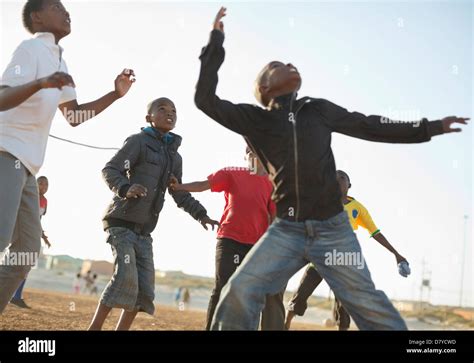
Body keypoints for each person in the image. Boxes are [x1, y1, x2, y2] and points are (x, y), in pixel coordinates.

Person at [194, 7, 469, 330]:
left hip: (333, 228)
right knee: (238, 291)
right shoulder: (255, 120)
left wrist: (429, 127)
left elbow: (370, 125)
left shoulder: (317, 110)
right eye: (277, 66)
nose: (288, 65)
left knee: (368, 303)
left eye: (290, 63)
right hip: (287, 230)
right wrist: (216, 42)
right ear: (264, 89)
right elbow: (205, 100)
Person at [0, 0, 135, 313]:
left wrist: (115, 94)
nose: (65, 11)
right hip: (6, 152)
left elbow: (74, 116)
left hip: (29, 168)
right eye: (56, 7)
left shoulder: (59, 61)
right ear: (37, 17)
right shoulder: (30, 49)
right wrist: (40, 83)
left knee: (26, 253)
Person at [88, 97, 219, 331]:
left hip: (144, 230)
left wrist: (201, 215)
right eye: (162, 109)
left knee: (144, 290)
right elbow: (110, 169)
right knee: (125, 277)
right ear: (148, 117)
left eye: (174, 110)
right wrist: (126, 188)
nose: (170, 113)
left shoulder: (175, 157)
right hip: (121, 222)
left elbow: (179, 193)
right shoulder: (138, 141)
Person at [169, 147, 285, 330]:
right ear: (245, 155)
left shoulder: (271, 184)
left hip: (256, 246)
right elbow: (203, 185)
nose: (255, 155)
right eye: (251, 152)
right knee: (223, 287)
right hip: (229, 240)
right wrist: (179, 186)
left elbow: (274, 217)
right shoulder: (231, 173)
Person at [285, 170, 410, 330]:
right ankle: (286, 323)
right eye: (334, 177)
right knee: (301, 294)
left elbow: (375, 232)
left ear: (349, 185)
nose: (337, 179)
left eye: (342, 177)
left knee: (344, 305)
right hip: (319, 260)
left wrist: (396, 254)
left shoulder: (358, 208)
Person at [10, 175, 51, 309]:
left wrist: (44, 238)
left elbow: (38, 221)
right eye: (40, 183)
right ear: (35, 183)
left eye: (46, 185)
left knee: (25, 266)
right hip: (21, 232)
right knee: (16, 263)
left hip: (33, 235)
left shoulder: (45, 201)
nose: (43, 187)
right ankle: (13, 296)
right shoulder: (28, 195)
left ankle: (16, 296)